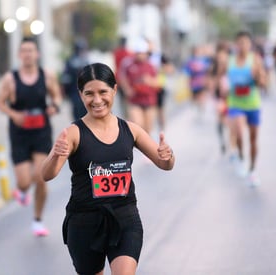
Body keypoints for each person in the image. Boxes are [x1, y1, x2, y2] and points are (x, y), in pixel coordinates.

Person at [41, 63, 175, 275]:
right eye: (89, 94)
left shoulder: (131, 130)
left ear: (114, 89)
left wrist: (168, 156)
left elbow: (164, 164)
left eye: (103, 92)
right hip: (85, 222)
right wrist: (57, 153)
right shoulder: (73, 133)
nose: (97, 100)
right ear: (80, 94)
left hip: (125, 219)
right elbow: (47, 174)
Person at [0, 37, 62, 236]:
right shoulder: (11, 79)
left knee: (41, 177)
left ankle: (37, 221)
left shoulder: (47, 75)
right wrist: (14, 115)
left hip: (41, 131)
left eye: (31, 50)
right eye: (23, 51)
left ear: (37, 54)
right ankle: (22, 190)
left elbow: (56, 95)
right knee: (25, 181)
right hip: (20, 133)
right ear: (19, 55)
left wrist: (54, 107)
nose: (27, 54)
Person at [226, 31, 267, 186]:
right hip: (235, 104)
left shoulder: (255, 60)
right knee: (238, 132)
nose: (243, 46)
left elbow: (263, 84)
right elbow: (220, 77)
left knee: (253, 139)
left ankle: (252, 170)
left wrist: (256, 76)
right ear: (236, 44)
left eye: (245, 43)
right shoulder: (229, 61)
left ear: (250, 45)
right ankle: (241, 157)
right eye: (240, 43)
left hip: (252, 104)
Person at [119, 38, 160, 134]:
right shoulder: (128, 63)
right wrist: (127, 90)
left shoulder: (151, 65)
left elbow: (158, 82)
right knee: (138, 124)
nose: (140, 55)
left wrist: (149, 81)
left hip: (149, 100)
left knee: (148, 128)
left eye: (142, 53)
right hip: (135, 100)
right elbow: (122, 78)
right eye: (138, 53)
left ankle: (144, 147)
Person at [61, 38, 90, 121]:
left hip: (83, 92)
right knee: (78, 114)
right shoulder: (72, 61)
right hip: (75, 92)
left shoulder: (85, 60)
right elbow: (66, 78)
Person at [209, 42, 230, 154]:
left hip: (231, 97)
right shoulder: (214, 69)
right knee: (221, 119)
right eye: (219, 57)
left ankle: (231, 141)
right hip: (219, 98)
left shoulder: (231, 67)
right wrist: (218, 75)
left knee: (229, 120)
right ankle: (223, 141)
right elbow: (211, 86)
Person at [184, 45, 211, 121]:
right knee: (194, 97)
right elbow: (187, 71)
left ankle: (201, 107)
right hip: (194, 83)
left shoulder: (204, 60)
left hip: (201, 82)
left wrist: (207, 80)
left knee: (201, 96)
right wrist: (188, 81)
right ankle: (197, 106)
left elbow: (208, 70)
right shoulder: (190, 61)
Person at [112, 37, 132, 118]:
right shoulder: (129, 53)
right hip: (126, 79)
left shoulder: (116, 53)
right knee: (128, 100)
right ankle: (128, 117)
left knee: (122, 100)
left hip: (118, 78)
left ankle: (125, 116)